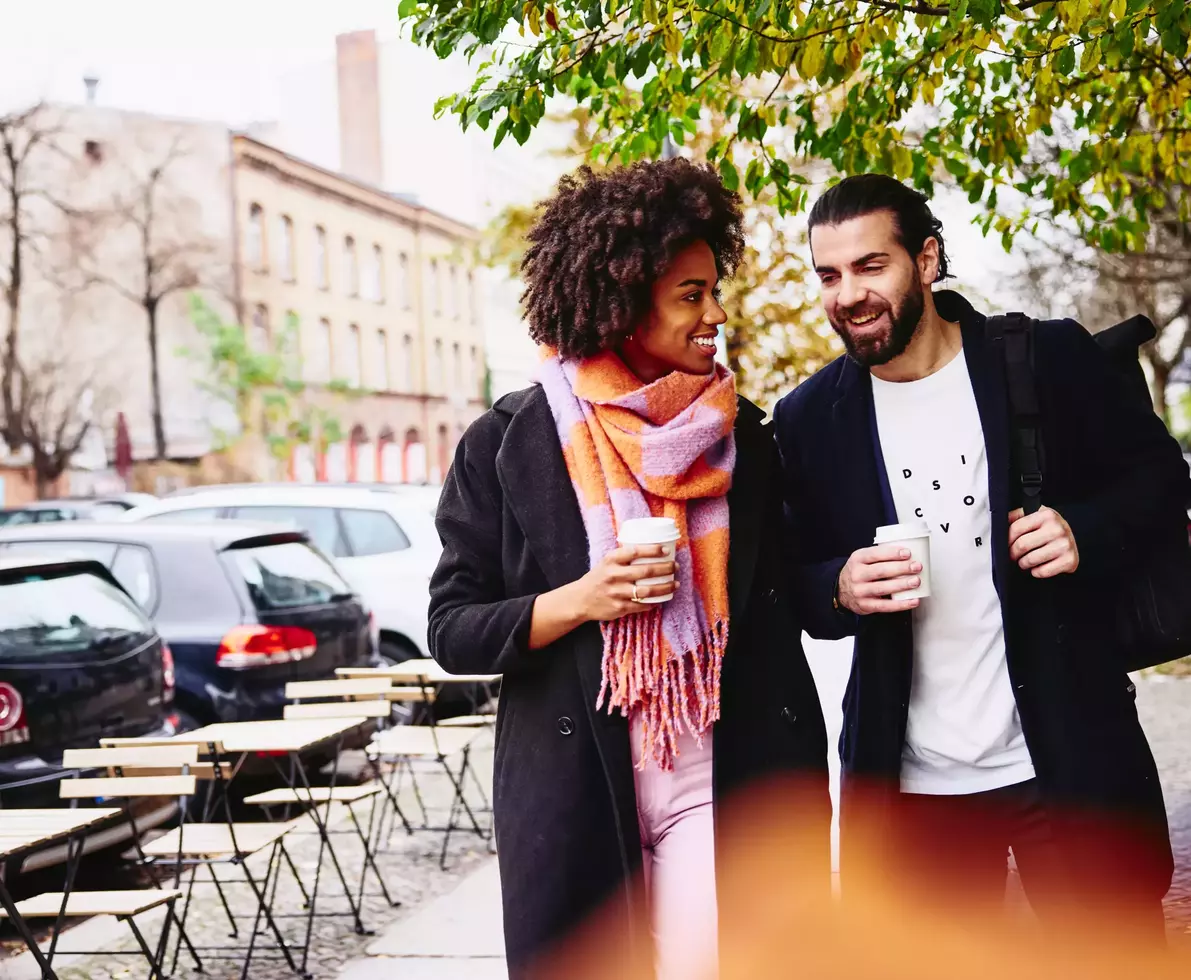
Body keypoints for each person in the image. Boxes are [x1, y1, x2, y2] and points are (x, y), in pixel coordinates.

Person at [428, 159, 831, 979]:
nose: (714, 314)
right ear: (620, 302)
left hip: (720, 780)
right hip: (576, 788)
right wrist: (580, 600)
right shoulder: (509, 441)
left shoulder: (741, 440)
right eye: (691, 295)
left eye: (714, 289)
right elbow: (451, 630)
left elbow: (796, 587)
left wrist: (848, 583)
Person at [773, 173, 1184, 936]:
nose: (846, 295)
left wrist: (1080, 531)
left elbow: (1160, 479)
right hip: (911, 789)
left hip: (1066, 761)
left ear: (925, 262)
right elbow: (790, 585)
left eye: (871, 266)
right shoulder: (807, 420)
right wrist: (838, 586)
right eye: (828, 275)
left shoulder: (1043, 359)